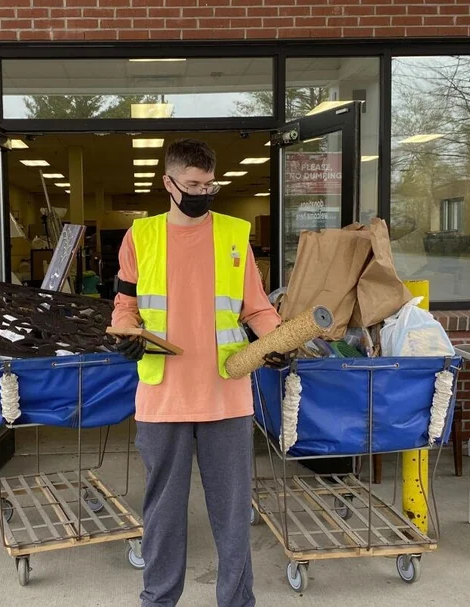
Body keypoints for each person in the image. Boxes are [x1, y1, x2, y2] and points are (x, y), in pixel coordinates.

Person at [111, 139, 283, 607]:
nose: (204, 192)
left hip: (225, 394)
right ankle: (159, 600)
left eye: (210, 184)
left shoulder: (233, 235)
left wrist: (278, 341)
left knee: (231, 514)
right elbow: (125, 307)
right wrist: (126, 334)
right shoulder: (139, 237)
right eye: (193, 185)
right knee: (163, 512)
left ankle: (236, 602)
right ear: (168, 183)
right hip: (162, 397)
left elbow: (257, 308)